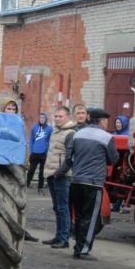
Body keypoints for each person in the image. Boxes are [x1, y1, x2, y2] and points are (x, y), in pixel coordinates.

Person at [56, 108, 119, 260]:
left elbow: (69, 157)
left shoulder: (77, 134)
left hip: (76, 181)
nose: (107, 123)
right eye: (106, 120)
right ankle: (83, 250)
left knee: (78, 216)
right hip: (94, 183)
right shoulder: (107, 137)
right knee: (90, 217)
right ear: (102, 121)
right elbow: (113, 159)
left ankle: (78, 246)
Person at [0, 97, 39, 242]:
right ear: (2, 109)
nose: (11, 112)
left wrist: (26, 162)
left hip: (17, 165)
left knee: (19, 200)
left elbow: (24, 144)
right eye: (8, 109)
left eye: (13, 109)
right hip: (1, 165)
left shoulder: (19, 125)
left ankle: (20, 229)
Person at [42, 106, 77, 249]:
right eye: (56, 116)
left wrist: (59, 173)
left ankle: (64, 238)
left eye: (60, 116)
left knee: (63, 208)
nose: (57, 119)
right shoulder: (55, 132)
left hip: (61, 176)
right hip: (52, 174)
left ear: (67, 117)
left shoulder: (70, 134)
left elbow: (71, 158)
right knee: (57, 208)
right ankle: (58, 236)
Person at [27, 112, 53, 195]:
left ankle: (40, 188)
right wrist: (31, 150)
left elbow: (50, 141)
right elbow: (31, 139)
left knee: (42, 173)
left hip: (43, 154)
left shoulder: (49, 129)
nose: (41, 119)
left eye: (43, 118)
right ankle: (26, 186)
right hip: (35, 153)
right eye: (40, 117)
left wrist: (48, 152)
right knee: (31, 170)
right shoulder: (34, 128)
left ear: (45, 119)